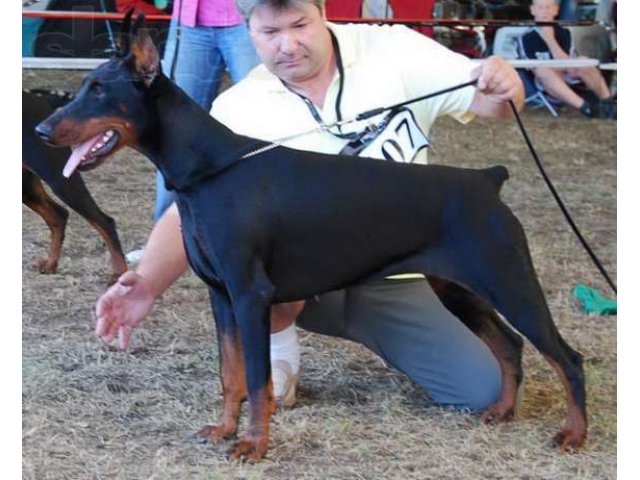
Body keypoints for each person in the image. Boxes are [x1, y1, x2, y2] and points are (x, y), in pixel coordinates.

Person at [97, 0, 524, 413]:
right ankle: (279, 354)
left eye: (300, 25)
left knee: (481, 391)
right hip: (307, 275)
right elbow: (194, 213)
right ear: (249, 33)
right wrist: (147, 283)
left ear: (324, 13)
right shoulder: (236, 108)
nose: (287, 45)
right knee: (258, 249)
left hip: (399, 265)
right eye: (270, 32)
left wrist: (504, 85)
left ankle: (443, 314)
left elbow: (493, 104)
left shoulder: (395, 48)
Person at [153, 0, 260, 221]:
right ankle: (165, 237)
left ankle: (266, 229)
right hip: (190, 22)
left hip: (254, 17)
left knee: (263, 122)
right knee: (174, 128)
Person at [519, 0, 615, 118]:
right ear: (532, 10)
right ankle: (586, 108)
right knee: (542, 70)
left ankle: (609, 103)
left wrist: (551, 40)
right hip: (546, 83)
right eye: (540, 7)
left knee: (584, 61)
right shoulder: (527, 37)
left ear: (556, 10)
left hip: (568, 75)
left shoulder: (564, 33)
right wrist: (549, 40)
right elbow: (533, 71)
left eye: (548, 7)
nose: (544, 12)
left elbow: (569, 64)